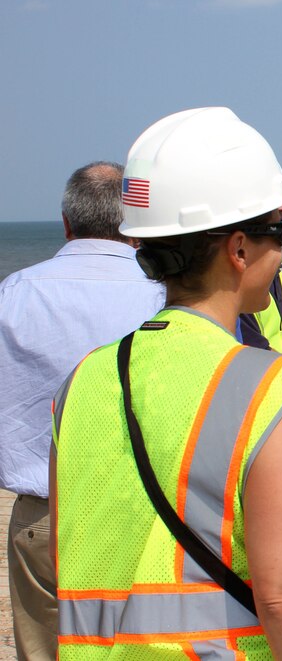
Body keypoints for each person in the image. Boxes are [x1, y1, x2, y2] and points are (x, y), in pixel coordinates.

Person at [49, 107, 282, 659]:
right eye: (278, 231)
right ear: (238, 249)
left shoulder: (85, 379)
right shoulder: (271, 388)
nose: (281, 253)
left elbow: (70, 551)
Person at [0, 162, 164, 661]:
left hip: (43, 512)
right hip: (143, 513)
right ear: (135, 224)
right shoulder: (163, 296)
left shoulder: (13, 294)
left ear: (67, 223)